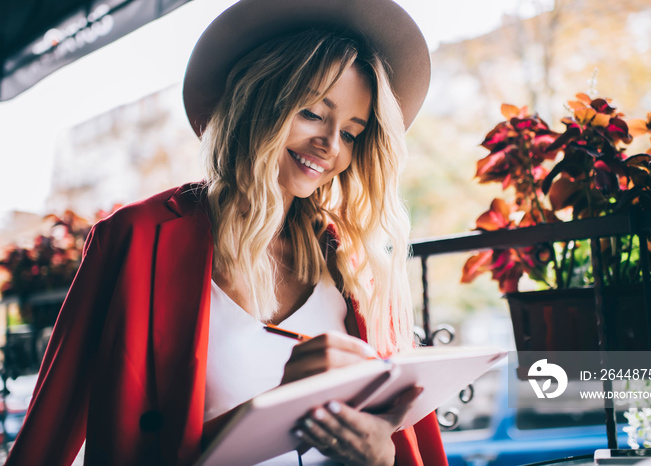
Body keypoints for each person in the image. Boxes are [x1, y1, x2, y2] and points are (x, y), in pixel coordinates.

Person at [6, 0, 446, 464]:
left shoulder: (350, 260)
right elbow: (52, 437)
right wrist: (283, 403)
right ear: (257, 100)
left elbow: (406, 442)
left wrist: (380, 456)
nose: (332, 146)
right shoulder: (135, 239)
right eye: (314, 114)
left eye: (353, 133)